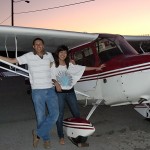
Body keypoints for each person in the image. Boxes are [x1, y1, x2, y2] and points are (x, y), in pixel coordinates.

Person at [0, 38, 59, 149]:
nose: (38, 46)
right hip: (37, 91)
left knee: (55, 115)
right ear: (33, 46)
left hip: (50, 89)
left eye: (40, 44)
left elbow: (54, 67)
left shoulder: (49, 55)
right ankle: (46, 140)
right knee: (41, 117)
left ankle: (37, 133)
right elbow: (13, 60)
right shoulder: (28, 56)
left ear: (43, 45)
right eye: (36, 44)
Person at [51, 45, 105, 145]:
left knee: (76, 113)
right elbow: (51, 76)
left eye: (65, 53)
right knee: (59, 115)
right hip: (59, 93)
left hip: (70, 92)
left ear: (67, 54)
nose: (63, 54)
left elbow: (82, 68)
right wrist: (56, 83)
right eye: (61, 52)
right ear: (57, 53)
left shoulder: (69, 65)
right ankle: (61, 136)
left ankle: (78, 132)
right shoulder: (54, 65)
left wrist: (96, 68)